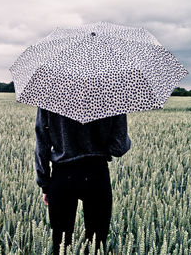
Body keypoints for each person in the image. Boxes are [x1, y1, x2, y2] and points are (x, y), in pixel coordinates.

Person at [35, 107, 131, 254]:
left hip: (62, 176)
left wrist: (45, 184)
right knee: (96, 245)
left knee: (61, 245)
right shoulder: (113, 95)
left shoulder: (50, 95)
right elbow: (118, 148)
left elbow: (42, 143)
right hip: (96, 175)